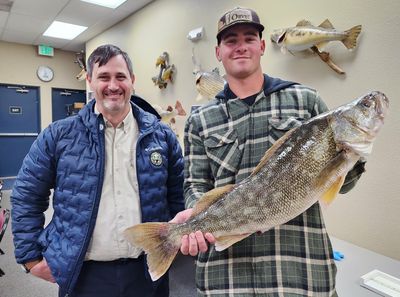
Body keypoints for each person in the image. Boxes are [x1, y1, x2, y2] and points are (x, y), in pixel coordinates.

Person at [176, 7, 366, 296]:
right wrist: (195, 214)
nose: (240, 46)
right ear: (218, 52)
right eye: (230, 40)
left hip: (299, 270)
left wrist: (352, 153)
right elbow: (194, 184)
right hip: (226, 278)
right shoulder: (199, 120)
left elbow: (343, 185)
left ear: (262, 46)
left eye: (249, 38)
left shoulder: (305, 101)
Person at [11, 44, 184, 297]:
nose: (113, 85)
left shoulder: (162, 137)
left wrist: (173, 247)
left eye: (120, 77)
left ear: (132, 81)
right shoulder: (59, 136)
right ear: (90, 81)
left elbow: (177, 198)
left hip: (147, 273)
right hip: (84, 276)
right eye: (103, 77)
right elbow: (27, 195)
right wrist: (30, 258)